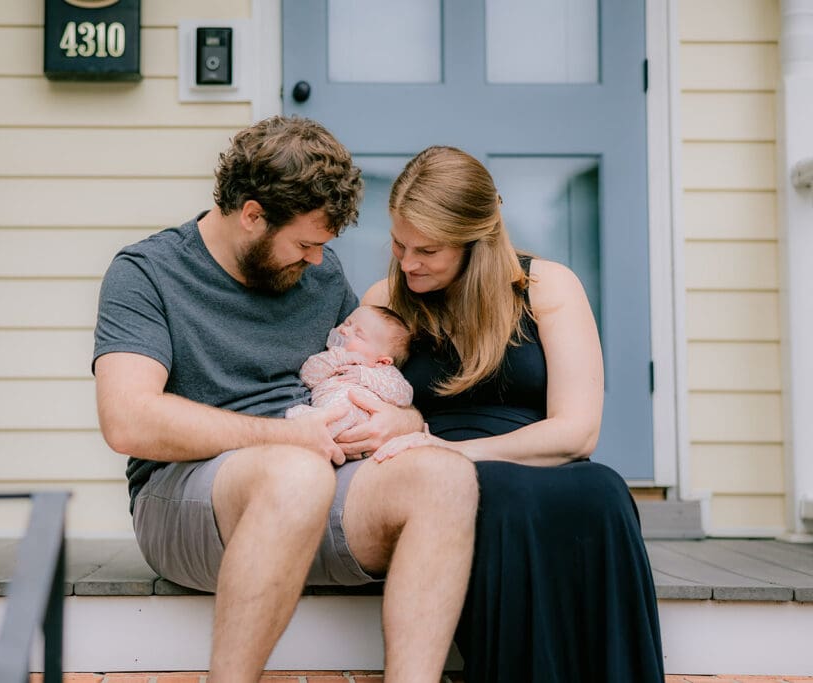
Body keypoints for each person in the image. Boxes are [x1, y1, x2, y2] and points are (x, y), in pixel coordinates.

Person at [92, 118, 479, 683]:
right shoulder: (148, 273)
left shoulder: (320, 275)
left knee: (445, 476)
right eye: (304, 244)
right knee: (296, 474)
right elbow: (128, 420)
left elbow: (372, 369)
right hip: (188, 497)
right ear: (252, 214)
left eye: (324, 246)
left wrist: (402, 419)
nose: (318, 261)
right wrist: (283, 437)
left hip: (321, 477)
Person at [361, 145, 665, 682]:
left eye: (427, 250)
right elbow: (355, 399)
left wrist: (455, 451)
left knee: (604, 490)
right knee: (499, 495)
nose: (408, 263)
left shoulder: (547, 286)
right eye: (399, 243)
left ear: (476, 240)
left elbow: (578, 432)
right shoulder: (386, 301)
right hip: (438, 477)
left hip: (531, 456)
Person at [285, 305, 413, 438]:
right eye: (347, 323)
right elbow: (308, 376)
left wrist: (365, 376)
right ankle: (309, 433)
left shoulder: (383, 371)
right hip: (326, 412)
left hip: (361, 419)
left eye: (358, 334)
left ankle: (310, 434)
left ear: (382, 361)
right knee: (299, 414)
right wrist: (340, 358)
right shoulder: (331, 357)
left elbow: (404, 396)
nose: (345, 330)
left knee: (344, 413)